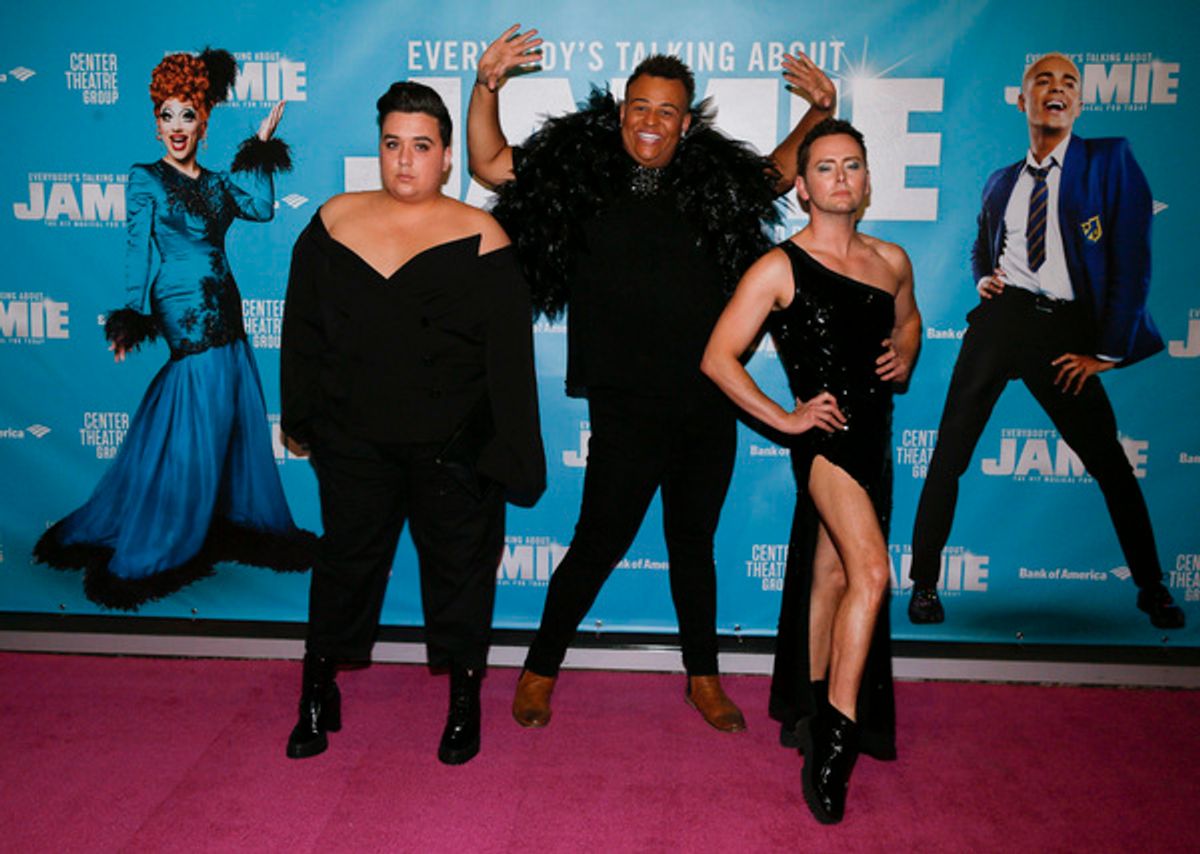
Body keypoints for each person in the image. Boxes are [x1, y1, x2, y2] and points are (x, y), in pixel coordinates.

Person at [468, 24, 836, 733]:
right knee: (599, 540)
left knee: (693, 544)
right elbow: (488, 162)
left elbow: (775, 174)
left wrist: (818, 114)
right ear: (620, 111)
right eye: (640, 106)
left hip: (708, 397)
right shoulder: (582, 176)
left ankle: (703, 679)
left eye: (667, 110)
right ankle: (539, 669)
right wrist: (488, 84)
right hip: (624, 402)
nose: (651, 121)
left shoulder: (714, 183)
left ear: (687, 122)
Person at [279, 82, 545, 765]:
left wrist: (506, 452)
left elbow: (509, 363)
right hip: (354, 443)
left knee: (461, 575)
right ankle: (316, 688)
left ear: (448, 157)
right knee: (344, 566)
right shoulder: (333, 222)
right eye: (392, 144)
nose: (404, 161)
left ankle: (463, 700)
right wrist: (304, 416)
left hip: (451, 449)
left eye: (420, 147)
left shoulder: (483, 237)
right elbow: (302, 331)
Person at [907, 53, 1185, 630]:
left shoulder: (1110, 161)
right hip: (1001, 323)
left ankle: (1152, 587)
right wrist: (983, 274)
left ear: (1079, 102)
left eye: (1068, 83)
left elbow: (1133, 260)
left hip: (1063, 331)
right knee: (948, 454)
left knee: (1109, 463)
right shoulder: (1000, 180)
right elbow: (984, 244)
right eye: (1043, 80)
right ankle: (925, 584)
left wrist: (1107, 353)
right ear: (1022, 99)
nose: (1056, 89)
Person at [34, 49, 313, 610]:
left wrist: (259, 146)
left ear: (203, 119)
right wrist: (133, 315)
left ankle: (216, 519)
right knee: (194, 409)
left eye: (187, 114)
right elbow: (138, 249)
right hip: (180, 303)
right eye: (166, 115)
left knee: (223, 411)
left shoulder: (216, 185)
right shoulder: (145, 179)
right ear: (154, 121)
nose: (176, 127)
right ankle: (166, 535)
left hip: (225, 301)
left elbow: (260, 208)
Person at [702, 118, 919, 823]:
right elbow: (717, 358)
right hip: (826, 443)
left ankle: (808, 702)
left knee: (832, 574)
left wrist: (907, 353)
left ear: (866, 178)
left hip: (876, 437)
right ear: (801, 187)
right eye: (825, 167)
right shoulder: (778, 267)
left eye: (852, 165)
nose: (840, 178)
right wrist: (787, 418)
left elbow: (908, 321)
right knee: (874, 574)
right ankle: (834, 735)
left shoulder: (891, 259)